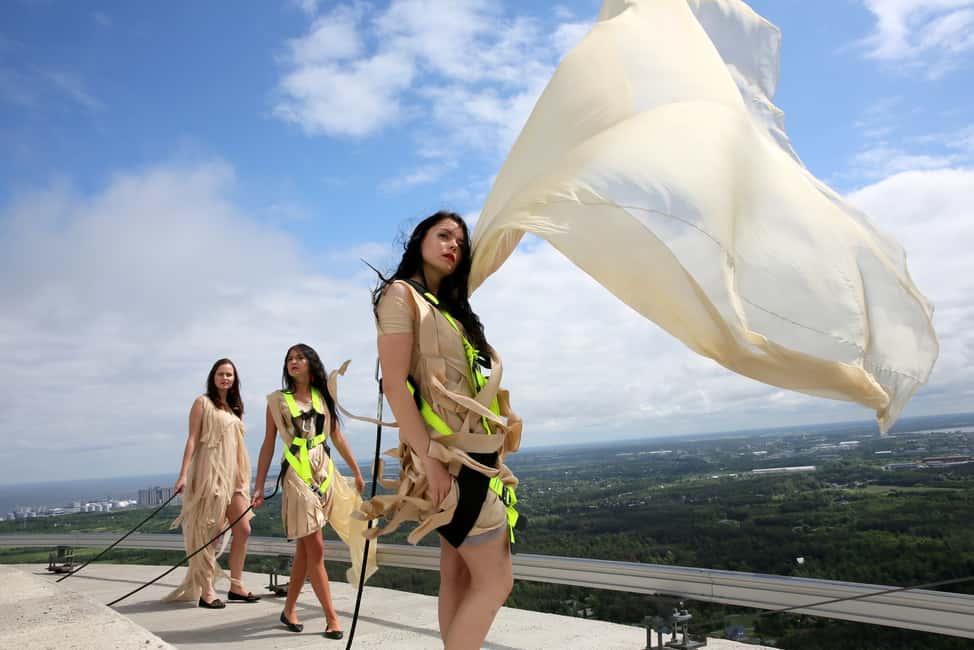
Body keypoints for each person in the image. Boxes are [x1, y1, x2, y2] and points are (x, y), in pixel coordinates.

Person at [362, 211, 523, 650]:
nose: (454, 245)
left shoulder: (445, 306)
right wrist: (431, 463)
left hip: (471, 455)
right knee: (495, 581)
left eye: (461, 242)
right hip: (449, 462)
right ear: (420, 240)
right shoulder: (401, 295)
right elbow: (395, 386)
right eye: (444, 235)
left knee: (458, 574)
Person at [252, 344, 370, 640]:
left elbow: (337, 436)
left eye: (299, 357)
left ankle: (289, 609)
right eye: (289, 359)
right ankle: (332, 618)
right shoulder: (277, 401)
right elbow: (268, 444)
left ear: (310, 363)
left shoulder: (323, 397)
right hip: (296, 473)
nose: (293, 362)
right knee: (316, 547)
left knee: (306, 550)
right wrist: (259, 485)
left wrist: (356, 471)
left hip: (324, 471)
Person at [165, 358, 258, 609]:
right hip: (210, 473)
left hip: (234, 476)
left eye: (229, 374)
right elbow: (192, 439)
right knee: (211, 533)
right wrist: (183, 474)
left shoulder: (234, 408)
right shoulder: (202, 403)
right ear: (213, 377)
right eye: (221, 374)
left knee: (244, 529)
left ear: (234, 379)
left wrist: (243, 479)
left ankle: (236, 586)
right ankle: (206, 590)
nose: (225, 378)